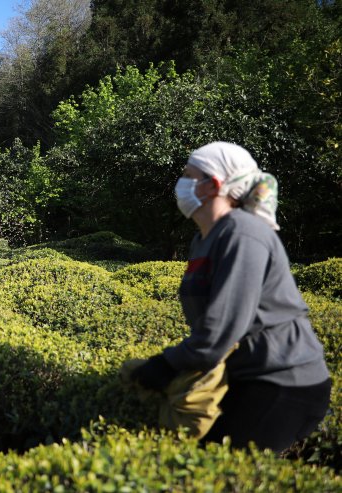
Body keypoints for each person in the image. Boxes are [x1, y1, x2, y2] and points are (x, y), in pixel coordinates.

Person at [130, 141, 331, 453]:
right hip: (246, 375)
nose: (181, 183)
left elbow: (220, 329)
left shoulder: (243, 233)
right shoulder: (204, 239)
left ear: (213, 185)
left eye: (188, 174)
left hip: (284, 382)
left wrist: (167, 363)